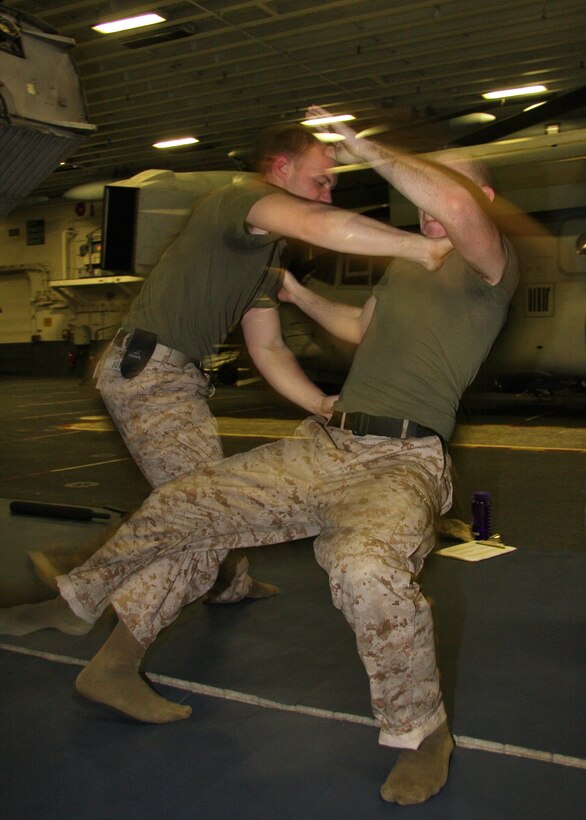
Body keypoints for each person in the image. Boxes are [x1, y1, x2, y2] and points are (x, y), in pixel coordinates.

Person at [0, 108, 519, 807]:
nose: (427, 205)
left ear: (476, 201)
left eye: (439, 191)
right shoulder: (405, 275)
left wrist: (363, 145)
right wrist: (299, 293)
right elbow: (359, 330)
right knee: (183, 502)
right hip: (329, 446)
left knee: (366, 571)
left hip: (403, 460)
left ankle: (423, 734)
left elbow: (452, 202)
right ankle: (78, 603)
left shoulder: (488, 264)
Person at [28, 122, 451, 602]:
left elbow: (268, 347)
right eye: (320, 181)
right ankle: (87, 594)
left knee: (206, 492)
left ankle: (227, 583)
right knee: (201, 499)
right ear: (282, 168)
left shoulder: (265, 258)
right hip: (147, 373)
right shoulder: (238, 201)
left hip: (177, 378)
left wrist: (319, 402)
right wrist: (422, 247)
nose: (328, 195)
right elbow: (318, 224)